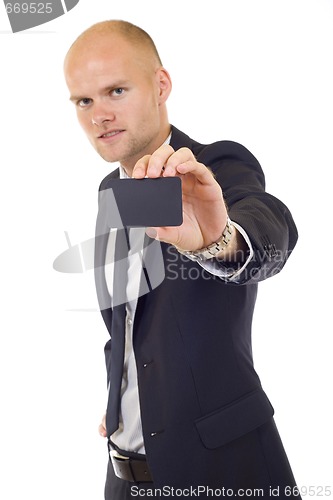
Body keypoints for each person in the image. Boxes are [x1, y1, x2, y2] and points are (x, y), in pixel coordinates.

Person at [64, 20, 300, 499]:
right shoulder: (110, 191)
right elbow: (126, 323)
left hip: (222, 469)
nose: (98, 115)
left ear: (160, 85)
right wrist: (124, 400)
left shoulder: (216, 166)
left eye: (115, 91)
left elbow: (268, 230)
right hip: (124, 474)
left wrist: (214, 240)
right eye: (83, 101)